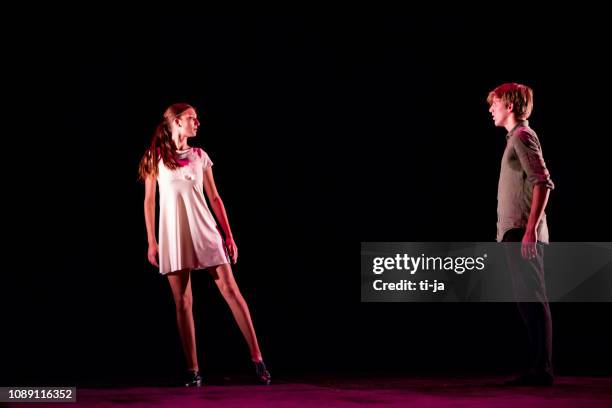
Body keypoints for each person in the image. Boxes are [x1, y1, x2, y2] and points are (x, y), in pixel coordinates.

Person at [138, 103, 271, 387]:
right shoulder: (156, 157)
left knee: (231, 291)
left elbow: (215, 198)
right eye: (191, 119)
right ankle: (193, 370)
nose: (197, 123)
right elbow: (149, 201)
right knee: (183, 302)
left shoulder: (200, 156)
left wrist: (229, 234)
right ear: (175, 122)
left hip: (206, 230)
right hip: (174, 234)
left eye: (197, 119)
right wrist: (152, 240)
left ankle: (257, 358)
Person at [488, 83, 555, 386]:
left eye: (496, 103)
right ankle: (536, 367)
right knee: (526, 300)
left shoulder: (523, 136)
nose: (491, 109)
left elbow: (543, 182)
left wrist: (530, 230)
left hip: (523, 231)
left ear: (510, 106)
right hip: (514, 231)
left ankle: (541, 369)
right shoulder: (514, 139)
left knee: (532, 298)